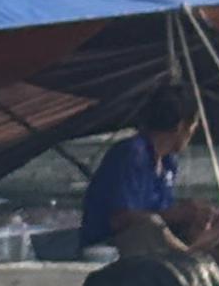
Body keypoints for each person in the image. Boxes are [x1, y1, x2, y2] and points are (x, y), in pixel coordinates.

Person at [76, 97, 197, 262]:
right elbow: (119, 220)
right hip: (110, 243)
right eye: (192, 128)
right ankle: (191, 258)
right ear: (182, 126)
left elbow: (163, 211)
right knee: (150, 224)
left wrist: (190, 213)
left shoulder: (169, 163)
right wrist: (173, 215)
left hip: (154, 239)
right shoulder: (131, 153)